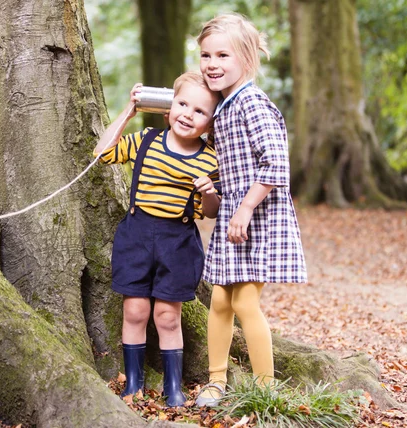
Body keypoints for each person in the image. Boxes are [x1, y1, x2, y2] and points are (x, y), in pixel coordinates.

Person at [194, 13, 308, 407]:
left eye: (223, 54)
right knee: (220, 301)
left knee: (243, 301)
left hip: (256, 217)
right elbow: (236, 165)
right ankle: (216, 380)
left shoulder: (253, 103)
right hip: (235, 217)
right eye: (206, 55)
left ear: (245, 59)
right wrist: (217, 190)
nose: (212, 63)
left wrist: (242, 210)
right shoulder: (226, 106)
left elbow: (275, 165)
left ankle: (265, 387)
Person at [94, 71, 222, 407]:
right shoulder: (147, 140)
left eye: (199, 111)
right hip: (137, 236)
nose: (187, 114)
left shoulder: (211, 160)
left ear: (209, 123)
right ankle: (133, 383)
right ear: (168, 107)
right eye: (182, 104)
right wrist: (127, 112)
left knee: (167, 315)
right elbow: (102, 153)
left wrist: (209, 193)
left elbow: (210, 212)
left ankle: (173, 386)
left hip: (177, 242)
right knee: (135, 311)